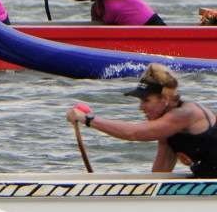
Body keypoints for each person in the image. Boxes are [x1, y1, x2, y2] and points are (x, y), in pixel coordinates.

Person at [67, 63, 217, 177]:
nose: (141, 107)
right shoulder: (167, 129)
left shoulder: (185, 114)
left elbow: (133, 133)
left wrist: (87, 119)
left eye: (146, 100)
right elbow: (159, 175)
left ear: (164, 99)